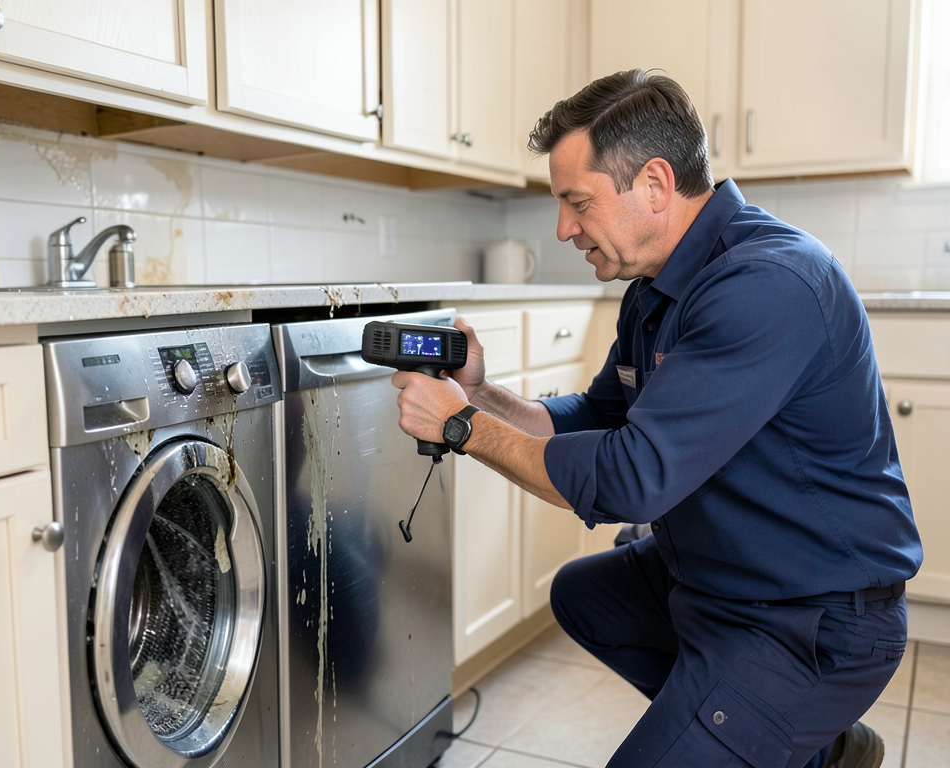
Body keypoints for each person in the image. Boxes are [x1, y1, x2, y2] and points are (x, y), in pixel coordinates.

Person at [389, 69, 923, 768]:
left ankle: (790, 731)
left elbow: (630, 480)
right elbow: (599, 416)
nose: (563, 228)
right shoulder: (653, 290)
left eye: (577, 202)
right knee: (584, 596)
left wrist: (462, 427)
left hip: (811, 617)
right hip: (715, 583)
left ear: (655, 184)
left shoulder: (767, 283)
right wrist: (481, 395)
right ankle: (809, 747)